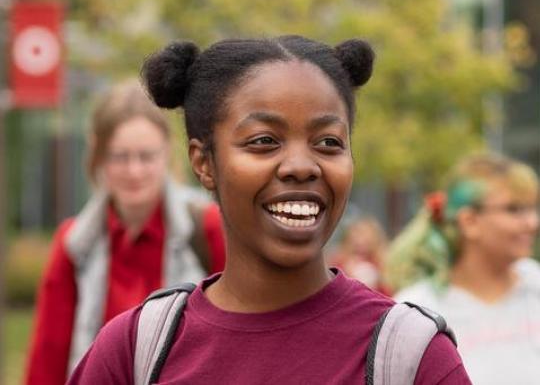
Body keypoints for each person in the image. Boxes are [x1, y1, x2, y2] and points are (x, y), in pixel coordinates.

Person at [68, 35, 470, 384]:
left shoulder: (412, 359)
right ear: (203, 162)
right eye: (264, 141)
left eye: (328, 142)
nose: (301, 166)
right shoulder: (133, 351)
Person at [25, 80, 225, 385]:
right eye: (120, 156)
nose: (134, 171)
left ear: (167, 154)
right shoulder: (75, 243)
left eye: (146, 156)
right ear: (99, 157)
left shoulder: (207, 228)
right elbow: (48, 359)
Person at [388, 153, 540, 385]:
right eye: (514, 209)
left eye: (532, 209)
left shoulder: (535, 284)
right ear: (469, 221)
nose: (532, 223)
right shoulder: (418, 310)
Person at [330, 216, 391, 294]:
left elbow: (389, 292)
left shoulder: (381, 262)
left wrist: (378, 280)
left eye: (365, 238)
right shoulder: (340, 262)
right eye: (358, 236)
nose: (360, 241)